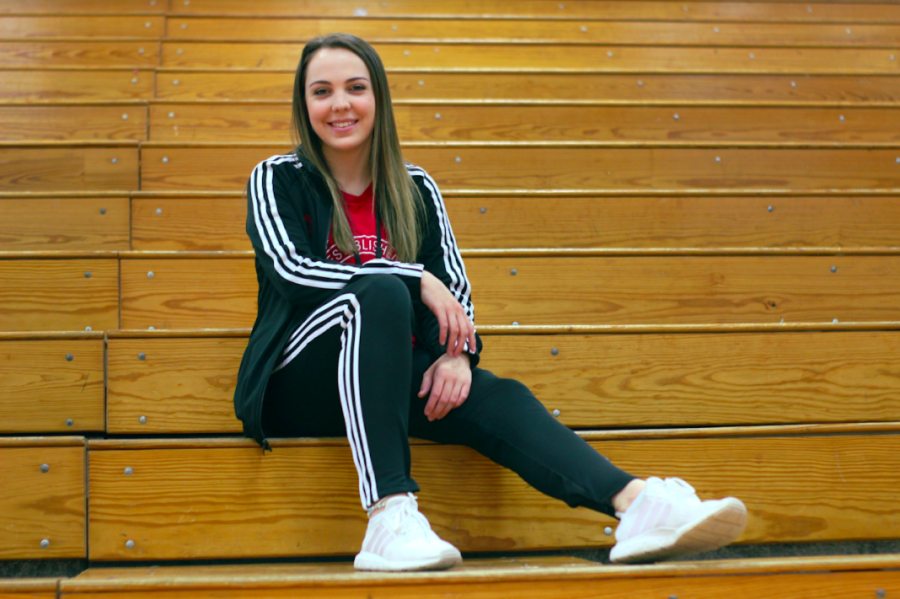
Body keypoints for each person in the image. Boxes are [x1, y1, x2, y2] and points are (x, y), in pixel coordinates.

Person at [233, 32, 748, 572]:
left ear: (378, 99)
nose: (340, 104)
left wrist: (454, 356)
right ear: (304, 105)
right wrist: (413, 279)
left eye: (355, 88)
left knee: (496, 395)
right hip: (299, 381)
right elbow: (292, 272)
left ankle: (637, 504)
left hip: (387, 380)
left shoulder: (414, 188)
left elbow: (453, 291)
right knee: (380, 291)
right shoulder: (277, 178)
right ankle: (389, 514)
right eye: (322, 91)